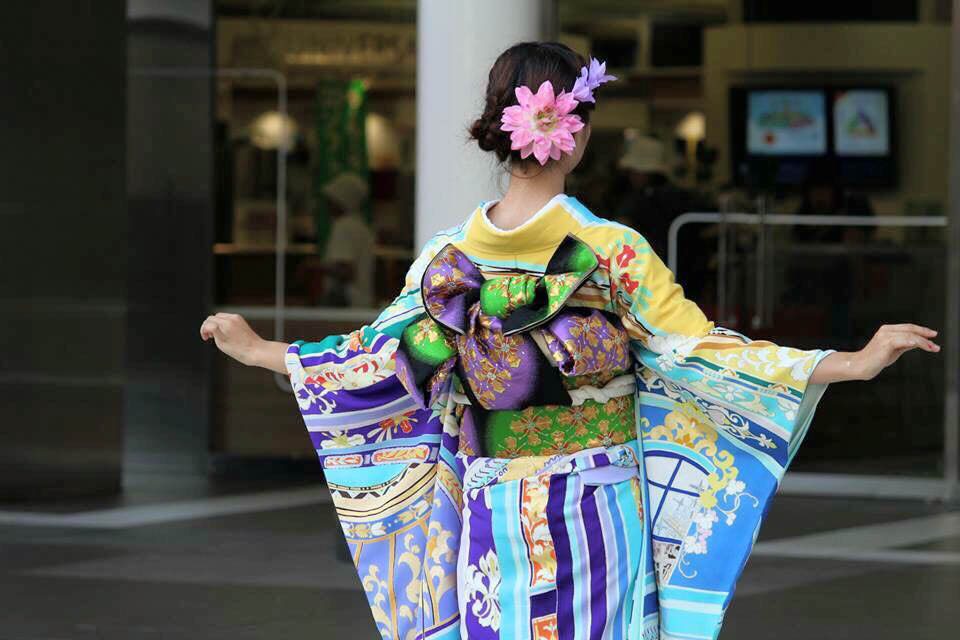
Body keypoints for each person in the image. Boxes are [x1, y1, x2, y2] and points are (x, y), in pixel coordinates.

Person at [201, 43, 938, 640]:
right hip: (596, 502)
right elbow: (698, 353)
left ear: (501, 131)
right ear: (575, 132)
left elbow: (378, 359)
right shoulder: (611, 249)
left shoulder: (446, 256)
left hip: (495, 507)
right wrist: (845, 364)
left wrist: (266, 350)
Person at [614, 133, 714, 301]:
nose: (631, 176)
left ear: (642, 171)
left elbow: (620, 231)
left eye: (633, 171)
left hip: (650, 281)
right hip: (685, 280)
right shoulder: (681, 196)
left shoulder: (637, 200)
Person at [300, 171, 376, 307]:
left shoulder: (343, 226)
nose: (328, 204)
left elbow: (345, 271)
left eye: (331, 200)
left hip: (345, 306)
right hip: (361, 304)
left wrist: (313, 267)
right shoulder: (361, 226)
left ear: (341, 201)